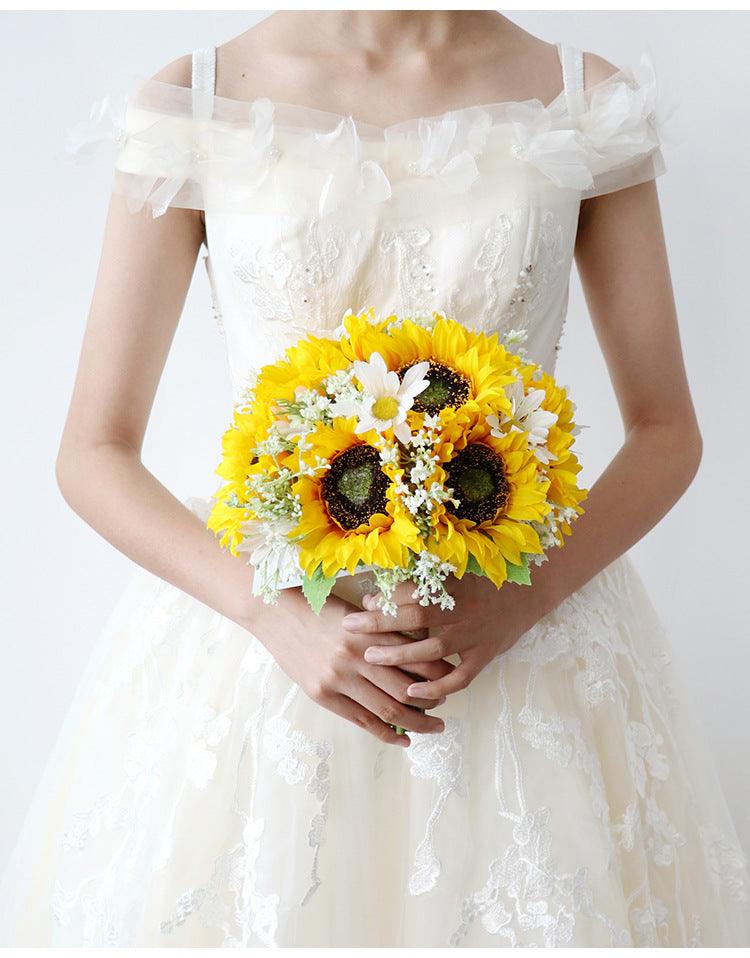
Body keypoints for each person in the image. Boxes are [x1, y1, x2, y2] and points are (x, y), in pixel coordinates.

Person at [1, 10, 748, 946]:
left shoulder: (582, 98)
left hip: (525, 648)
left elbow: (666, 430)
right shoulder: (194, 99)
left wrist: (517, 606)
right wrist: (277, 616)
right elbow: (94, 449)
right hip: (265, 659)